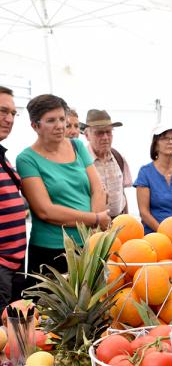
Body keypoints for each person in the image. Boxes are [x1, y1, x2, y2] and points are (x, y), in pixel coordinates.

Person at [16, 94, 109, 276]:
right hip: (50, 252)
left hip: (88, 245)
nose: (60, 125)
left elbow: (97, 189)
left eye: (62, 118)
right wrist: (96, 219)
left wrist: (93, 234)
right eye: (51, 120)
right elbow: (45, 211)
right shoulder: (27, 159)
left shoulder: (77, 146)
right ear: (35, 126)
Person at [134, 124, 172, 234]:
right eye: (165, 138)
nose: (171, 142)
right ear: (156, 144)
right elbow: (144, 212)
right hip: (154, 236)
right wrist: (164, 232)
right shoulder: (145, 172)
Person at [0, 86, 27, 315]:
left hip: (14, 263)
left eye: (12, 113)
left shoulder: (3, 155)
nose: (9, 119)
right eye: (2, 111)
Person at [83, 109, 133, 219]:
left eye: (108, 132)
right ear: (87, 135)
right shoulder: (81, 162)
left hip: (119, 221)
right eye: (99, 133)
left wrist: (127, 219)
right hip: (93, 224)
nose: (105, 137)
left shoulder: (119, 158)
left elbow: (122, 193)